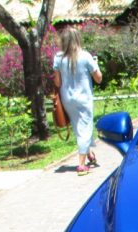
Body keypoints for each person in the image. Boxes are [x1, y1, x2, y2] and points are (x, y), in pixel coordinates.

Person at [53, 27, 102, 176]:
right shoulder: (86, 56)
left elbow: (57, 82)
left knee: (78, 127)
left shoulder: (58, 58)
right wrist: (96, 65)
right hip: (84, 98)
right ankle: (81, 165)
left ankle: (89, 154)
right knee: (85, 128)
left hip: (67, 99)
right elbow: (99, 79)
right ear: (77, 39)